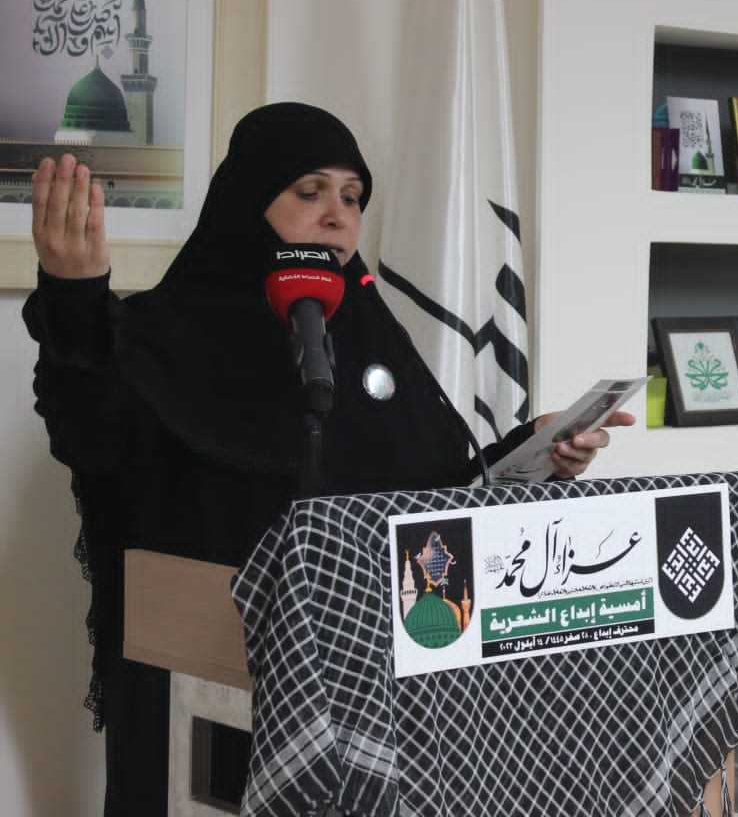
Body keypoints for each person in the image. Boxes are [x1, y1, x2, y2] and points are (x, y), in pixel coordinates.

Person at [24, 101, 632, 816]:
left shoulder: (373, 342)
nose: (339, 217)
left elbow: (438, 490)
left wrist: (536, 451)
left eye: (353, 197)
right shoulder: (157, 336)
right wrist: (75, 298)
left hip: (372, 716)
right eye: (310, 192)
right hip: (206, 714)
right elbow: (90, 439)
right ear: (247, 205)